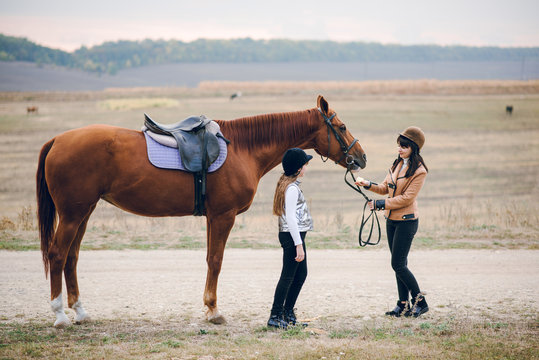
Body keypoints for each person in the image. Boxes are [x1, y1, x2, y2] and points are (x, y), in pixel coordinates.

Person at [355, 126, 429, 318]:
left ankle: (420, 302)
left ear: (414, 147)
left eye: (404, 146)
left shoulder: (419, 171)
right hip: (391, 220)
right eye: (399, 144)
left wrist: (380, 204)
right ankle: (402, 304)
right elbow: (384, 188)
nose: (400, 148)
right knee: (400, 263)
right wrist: (367, 184)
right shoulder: (397, 164)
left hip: (406, 221)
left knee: (398, 264)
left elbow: (406, 199)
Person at [267, 148, 313, 329]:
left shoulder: (288, 184)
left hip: (293, 236)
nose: (306, 168)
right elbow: (291, 218)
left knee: (301, 274)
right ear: (298, 168)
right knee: (288, 276)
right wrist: (298, 245)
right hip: (292, 236)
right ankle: (275, 315)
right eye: (305, 165)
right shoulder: (292, 188)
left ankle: (287, 313)